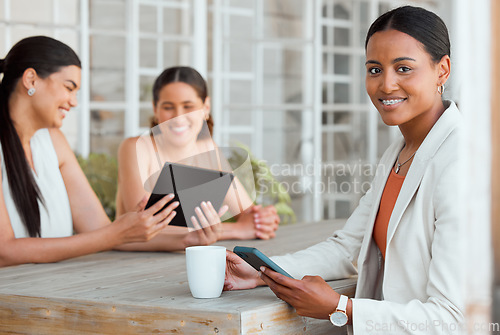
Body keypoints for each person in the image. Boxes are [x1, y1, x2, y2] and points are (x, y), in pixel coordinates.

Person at [224, 6, 465, 334]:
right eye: (375, 69)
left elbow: (452, 319)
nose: (386, 84)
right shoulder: (399, 154)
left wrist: (343, 309)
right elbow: (346, 248)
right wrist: (263, 272)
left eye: (404, 68)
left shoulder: (462, 162)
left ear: (443, 70)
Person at [0, 36, 225, 267]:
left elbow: (100, 230)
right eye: (69, 88)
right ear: (30, 80)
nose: (74, 102)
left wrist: (188, 239)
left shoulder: (53, 141)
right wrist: (114, 234)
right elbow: (3, 251)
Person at [116, 66, 280, 249]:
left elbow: (247, 214)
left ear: (205, 107)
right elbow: (138, 228)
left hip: (183, 261)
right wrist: (236, 230)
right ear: (155, 109)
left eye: (188, 106)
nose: (178, 118)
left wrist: (262, 219)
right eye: (168, 107)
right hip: (129, 264)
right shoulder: (136, 148)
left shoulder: (208, 149)